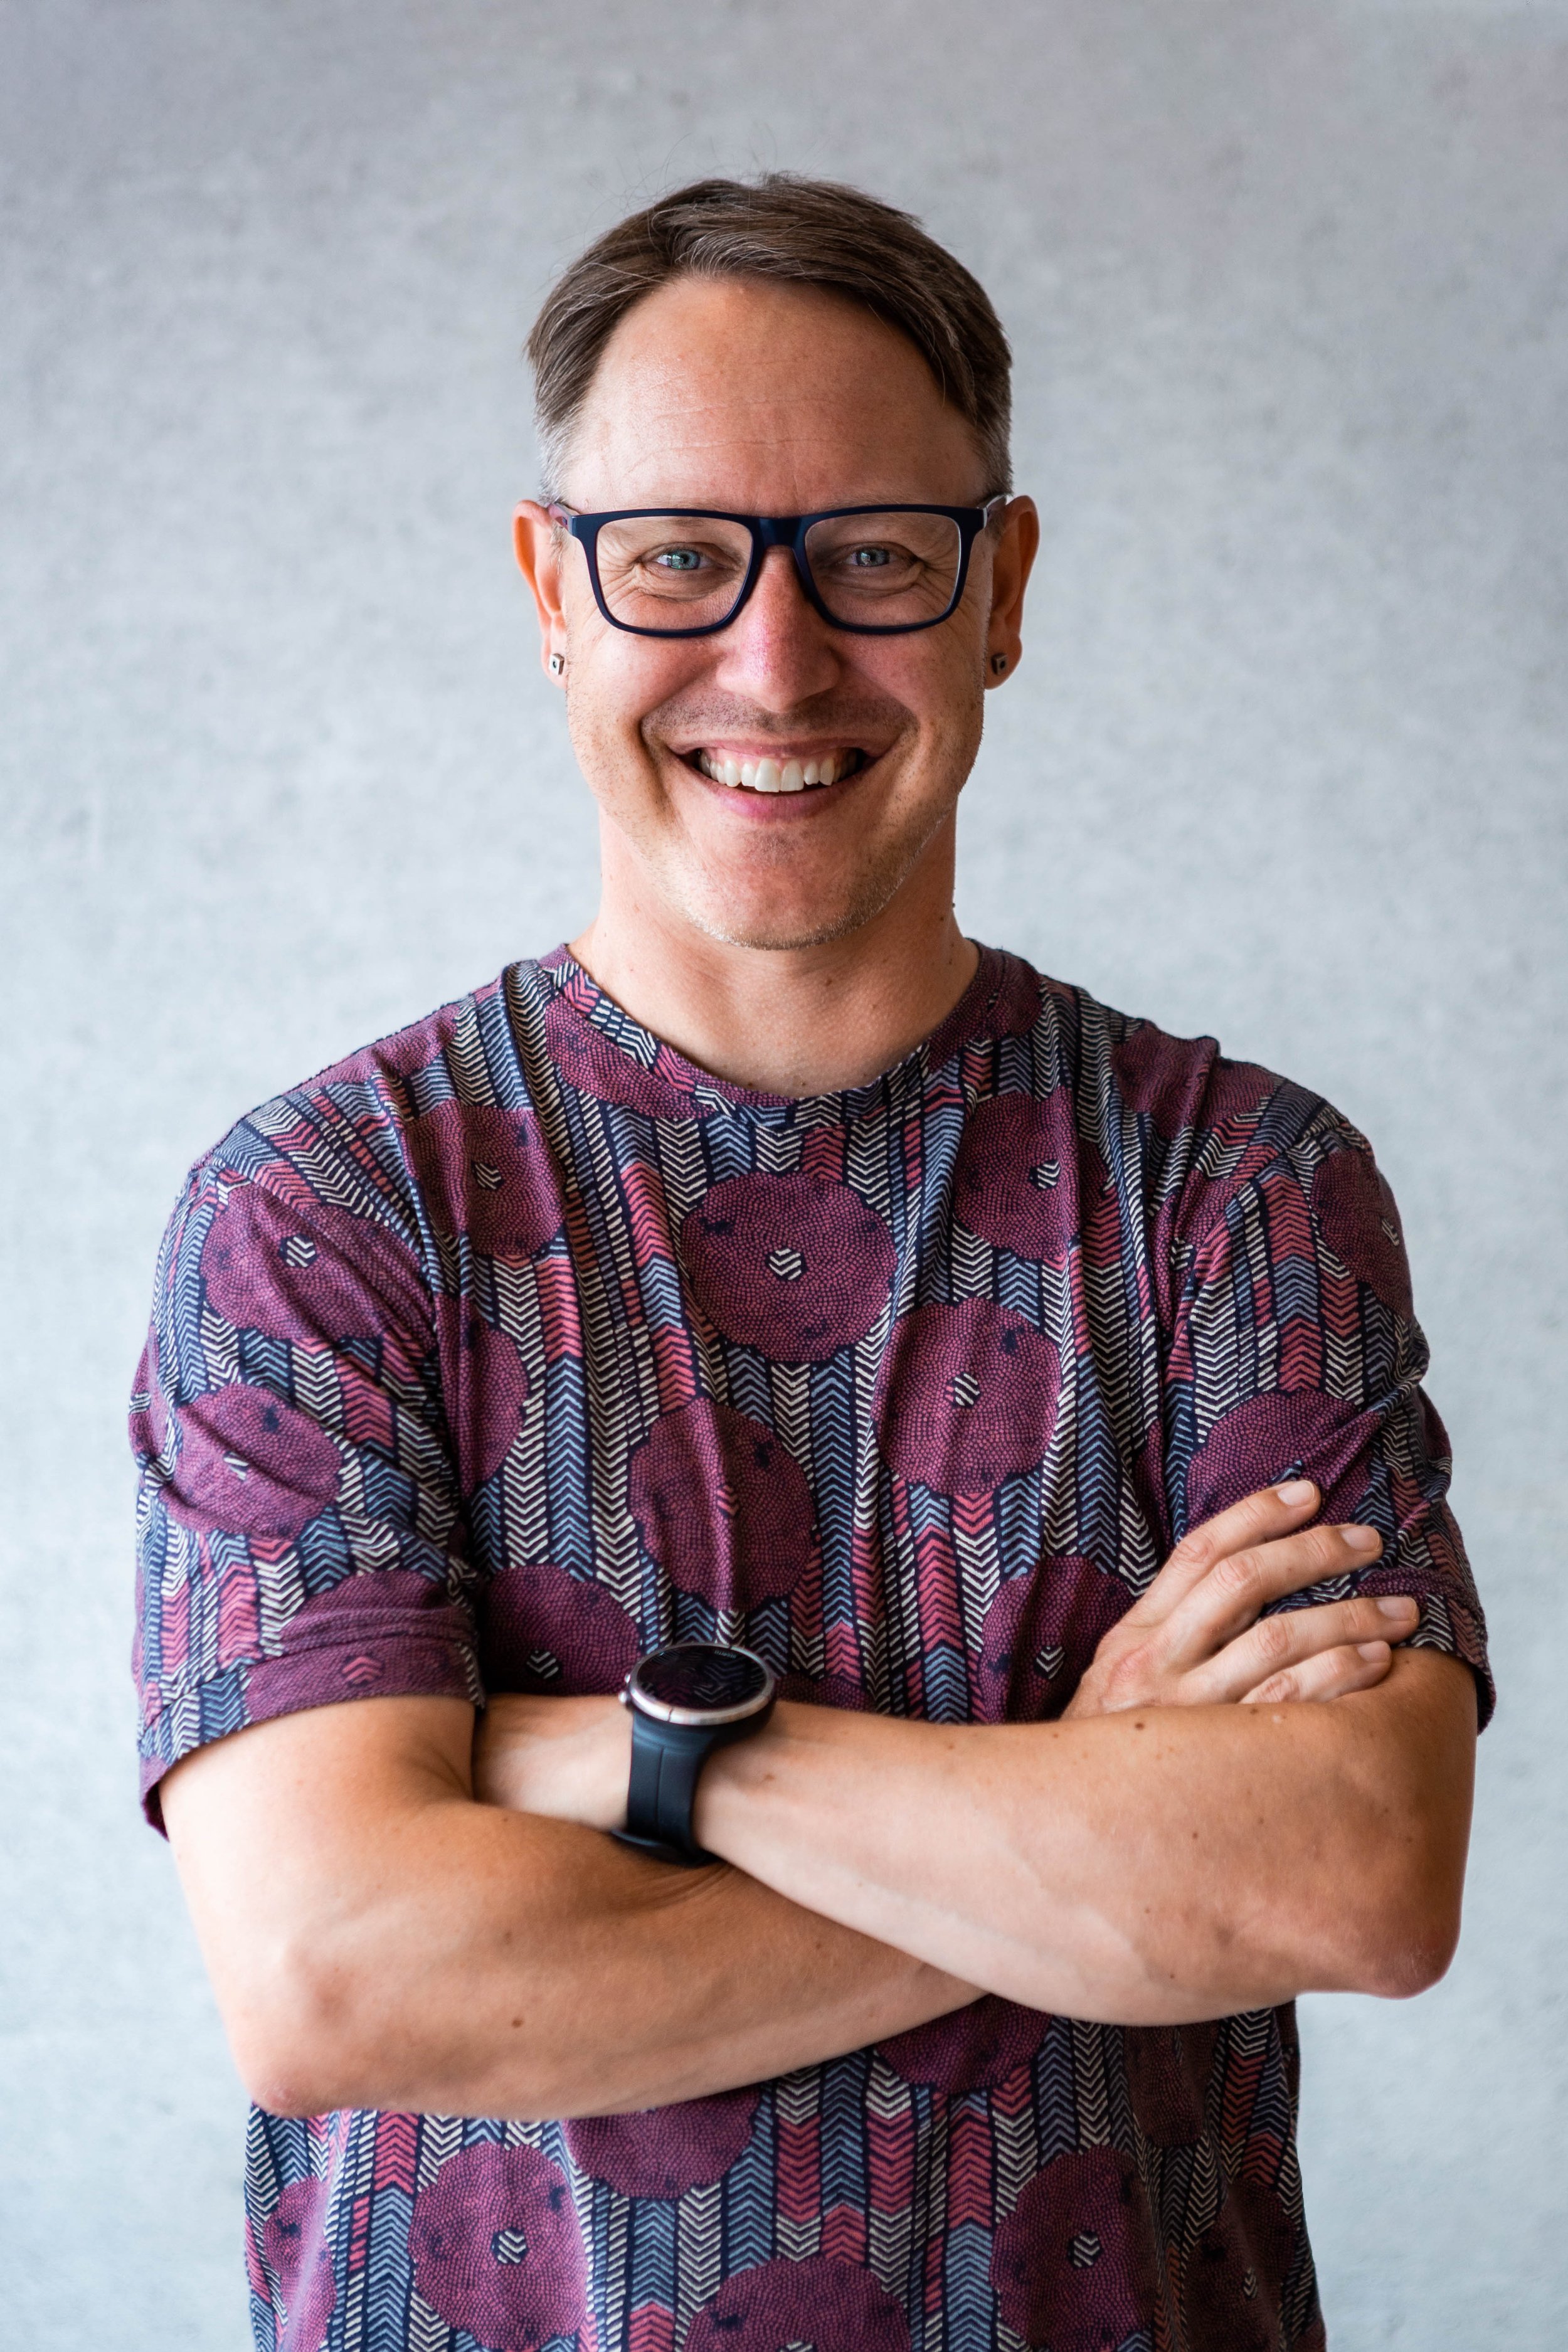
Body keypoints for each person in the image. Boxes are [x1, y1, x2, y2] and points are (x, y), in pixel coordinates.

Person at [132, 176, 1489, 2352]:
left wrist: (654, 1757)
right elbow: (336, 1979)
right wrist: (1081, 1835)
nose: (773, 662)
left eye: (870, 555)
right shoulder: (331, 1211)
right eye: (680, 556)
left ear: (1000, 590)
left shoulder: (1233, 1190)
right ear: (551, 591)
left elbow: (1347, 1873)